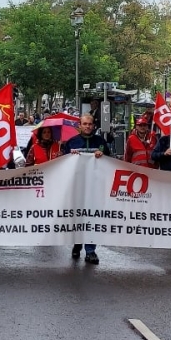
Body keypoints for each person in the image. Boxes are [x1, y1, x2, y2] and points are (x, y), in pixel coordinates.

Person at [61, 113, 111, 265]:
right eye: (85, 124)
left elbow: (110, 160)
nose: (88, 126)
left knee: (92, 217)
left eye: (90, 124)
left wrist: (103, 155)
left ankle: (90, 251)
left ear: (93, 125)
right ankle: (77, 244)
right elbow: (62, 163)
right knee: (77, 217)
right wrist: (70, 156)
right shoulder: (71, 142)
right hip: (77, 187)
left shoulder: (100, 141)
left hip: (95, 187)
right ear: (79, 125)